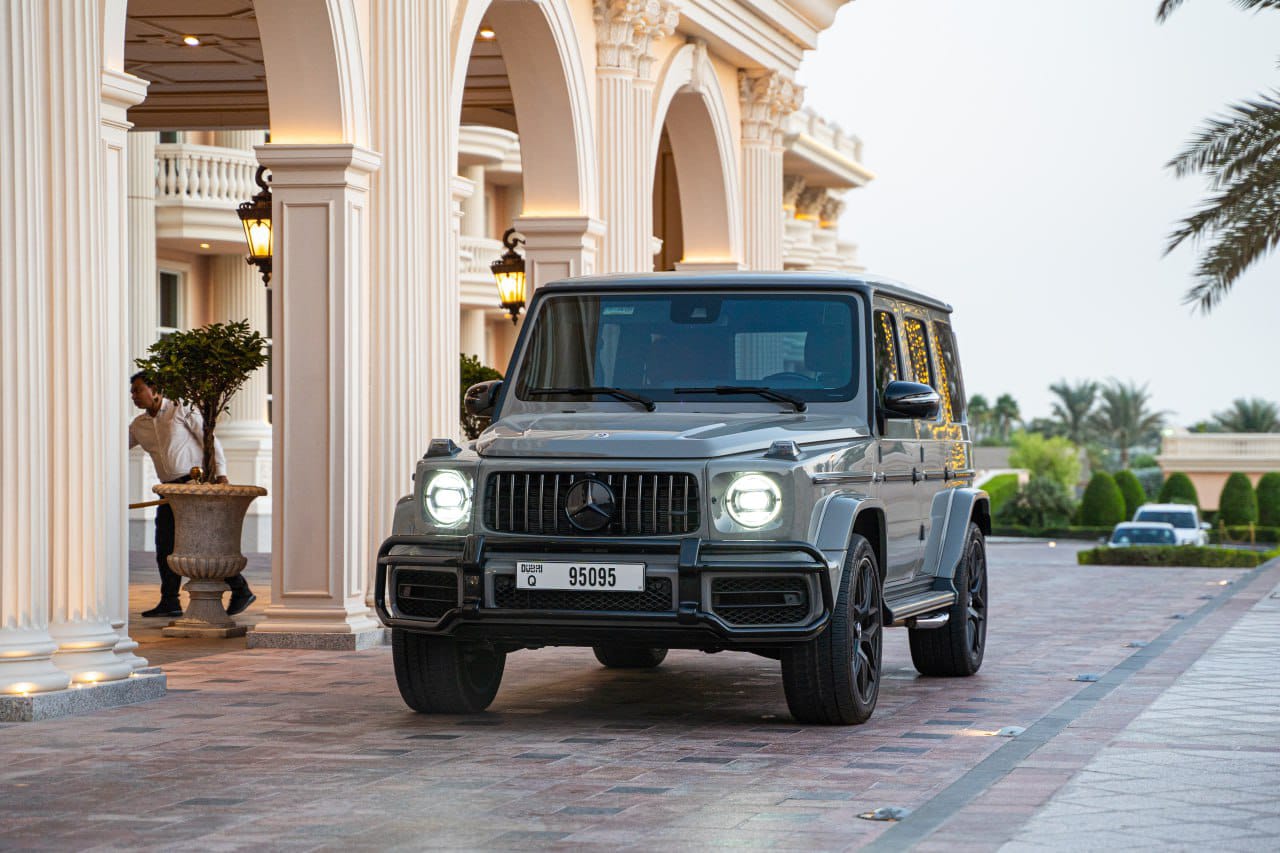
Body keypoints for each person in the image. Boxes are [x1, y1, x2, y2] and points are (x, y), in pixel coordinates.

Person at [128, 372, 256, 618]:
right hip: (169, 491)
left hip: (194, 485)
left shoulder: (180, 409)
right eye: (132, 392)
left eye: (137, 390)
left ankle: (240, 590)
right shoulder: (139, 425)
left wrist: (221, 476)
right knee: (165, 545)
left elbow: (210, 441)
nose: (133, 396)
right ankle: (170, 601)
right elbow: (114, 445)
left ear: (155, 390)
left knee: (202, 543)